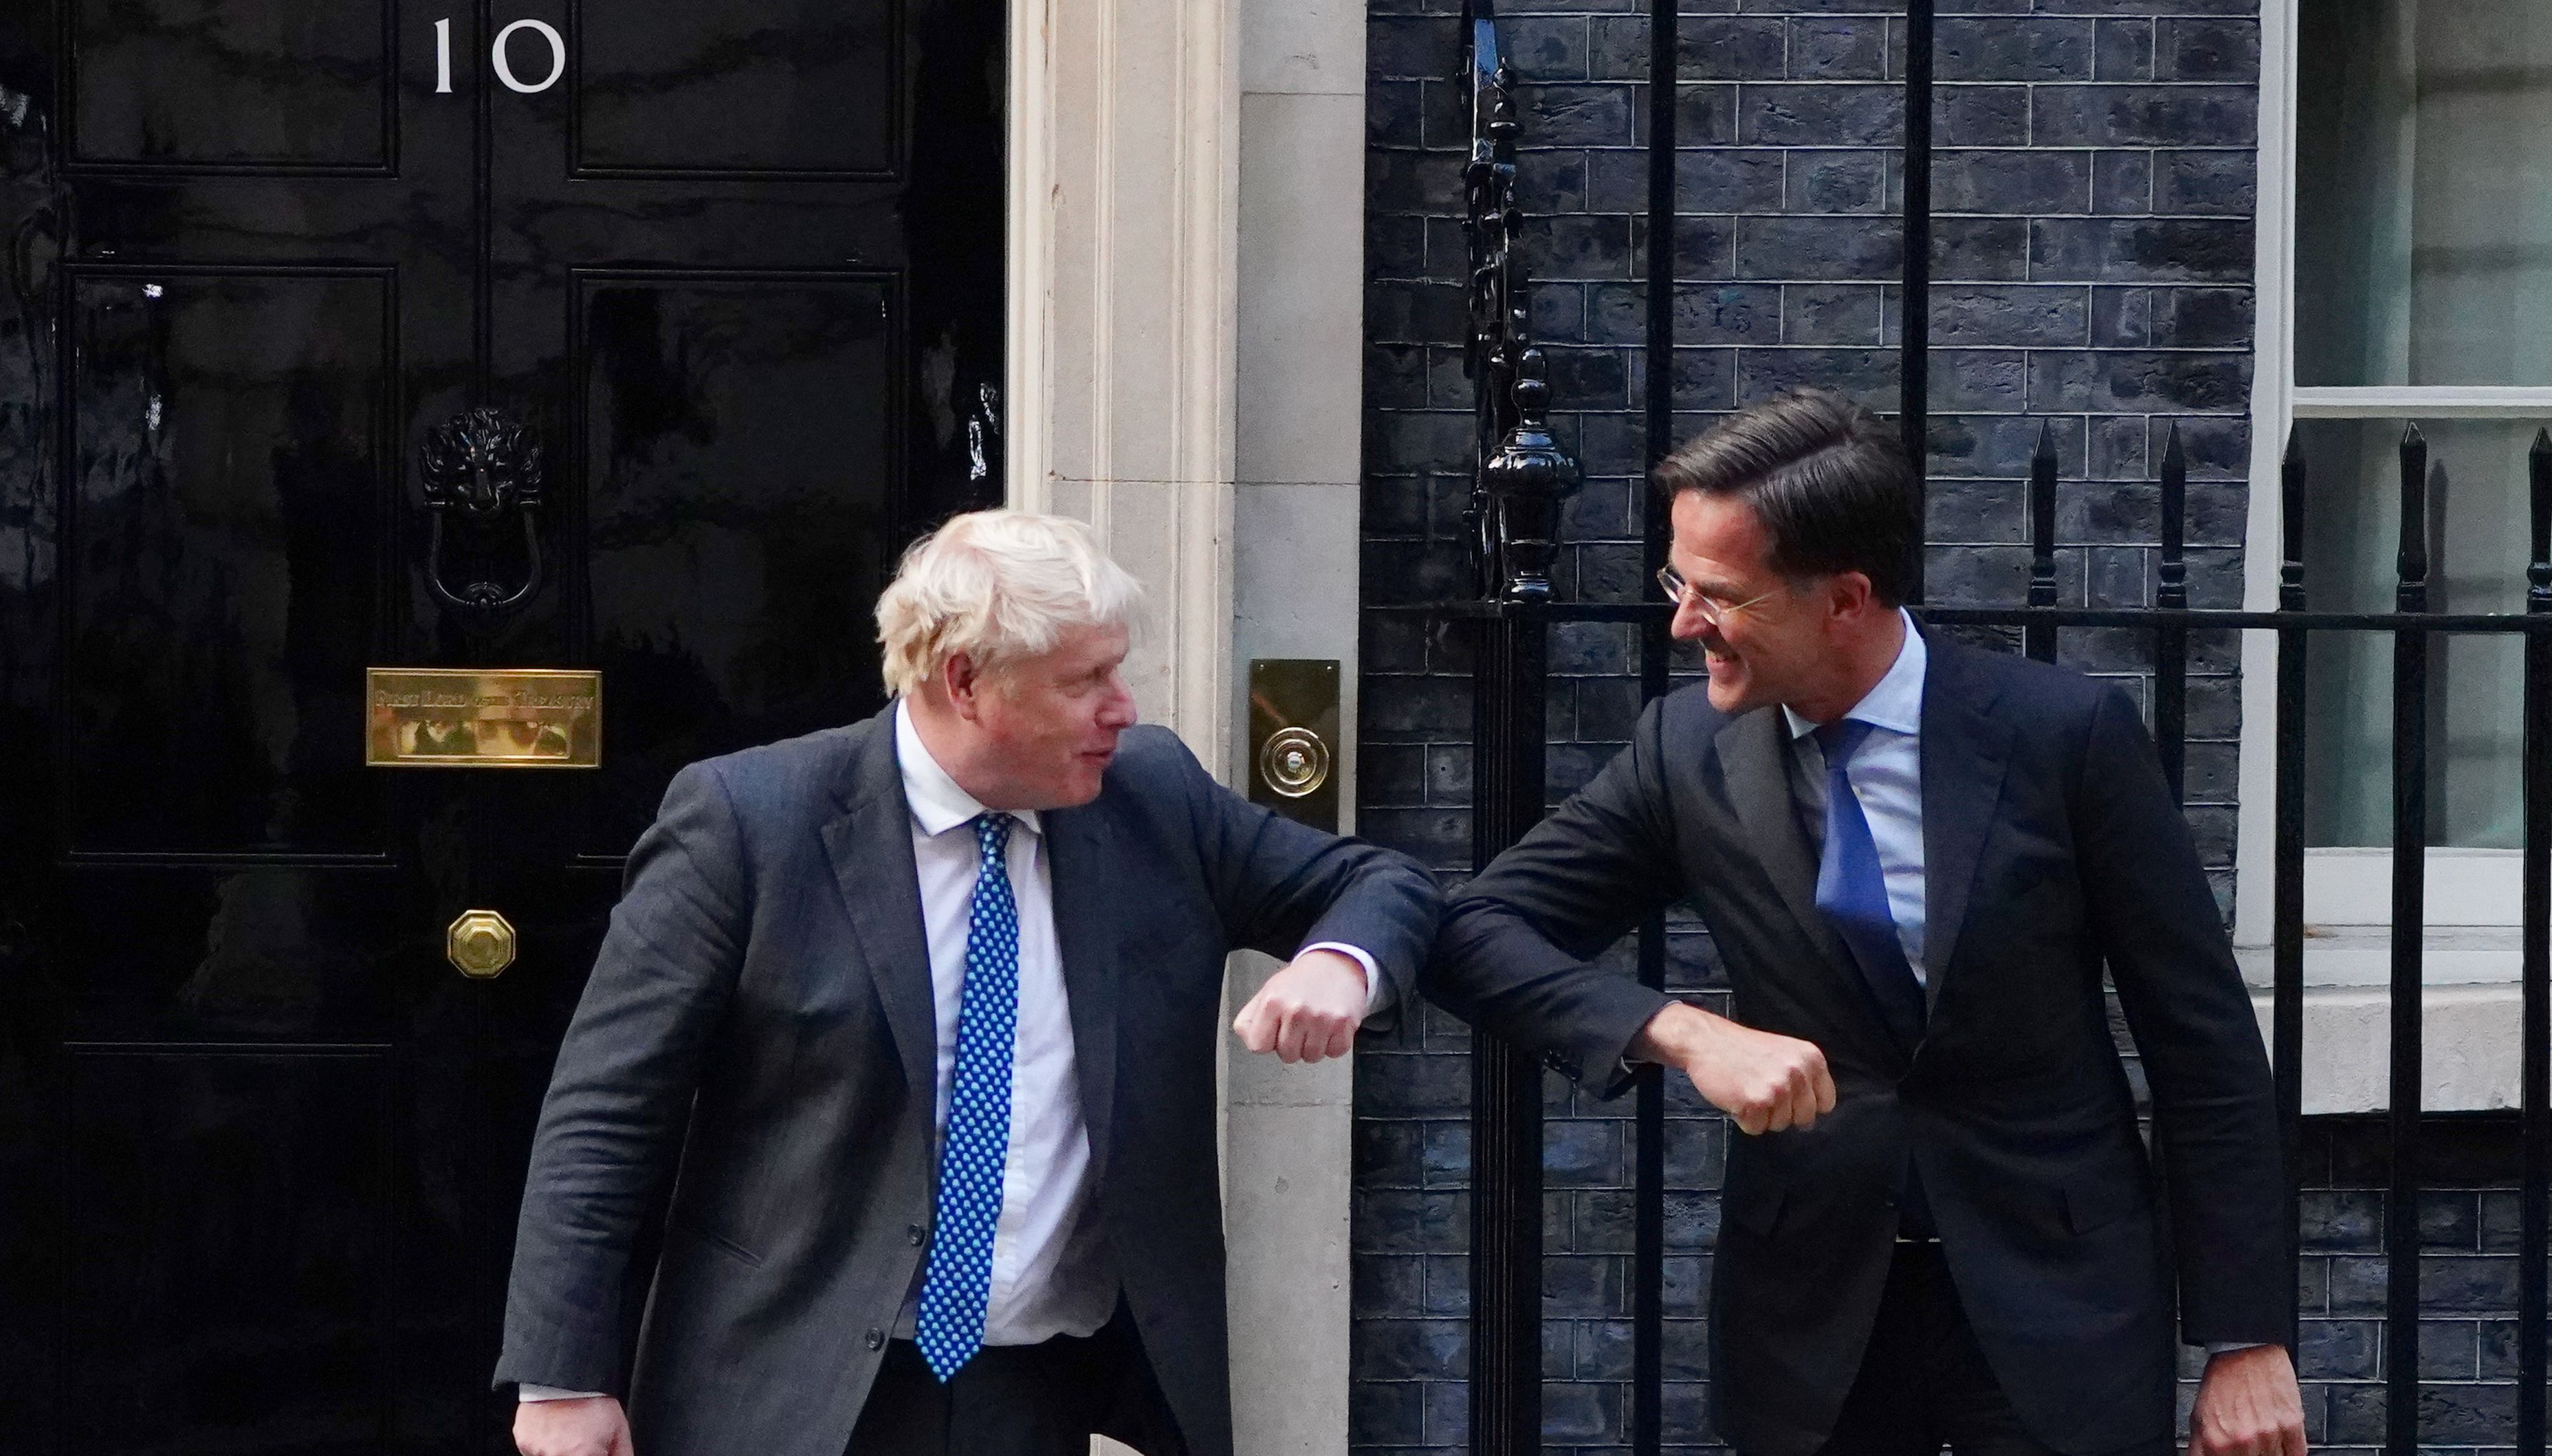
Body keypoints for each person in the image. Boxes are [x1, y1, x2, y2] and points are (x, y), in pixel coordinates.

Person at [1427, 390, 2304, 1456]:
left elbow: (2202, 1041)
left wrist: (2245, 1333)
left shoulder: (2063, 737)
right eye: (1679, 582)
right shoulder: (1683, 753)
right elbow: (1473, 930)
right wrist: (1683, 1031)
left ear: (1845, 599)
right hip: (1812, 1316)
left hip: (2058, 1302)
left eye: (1721, 595)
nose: (1682, 623)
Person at [496, 510, 1440, 1456]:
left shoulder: (1153, 799)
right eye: (1085, 681)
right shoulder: (750, 823)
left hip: (1031, 1391)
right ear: (965, 681)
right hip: (786, 1380)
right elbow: (606, 1107)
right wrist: (563, 1378)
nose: (1125, 708)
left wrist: (1338, 960)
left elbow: (1382, 881)